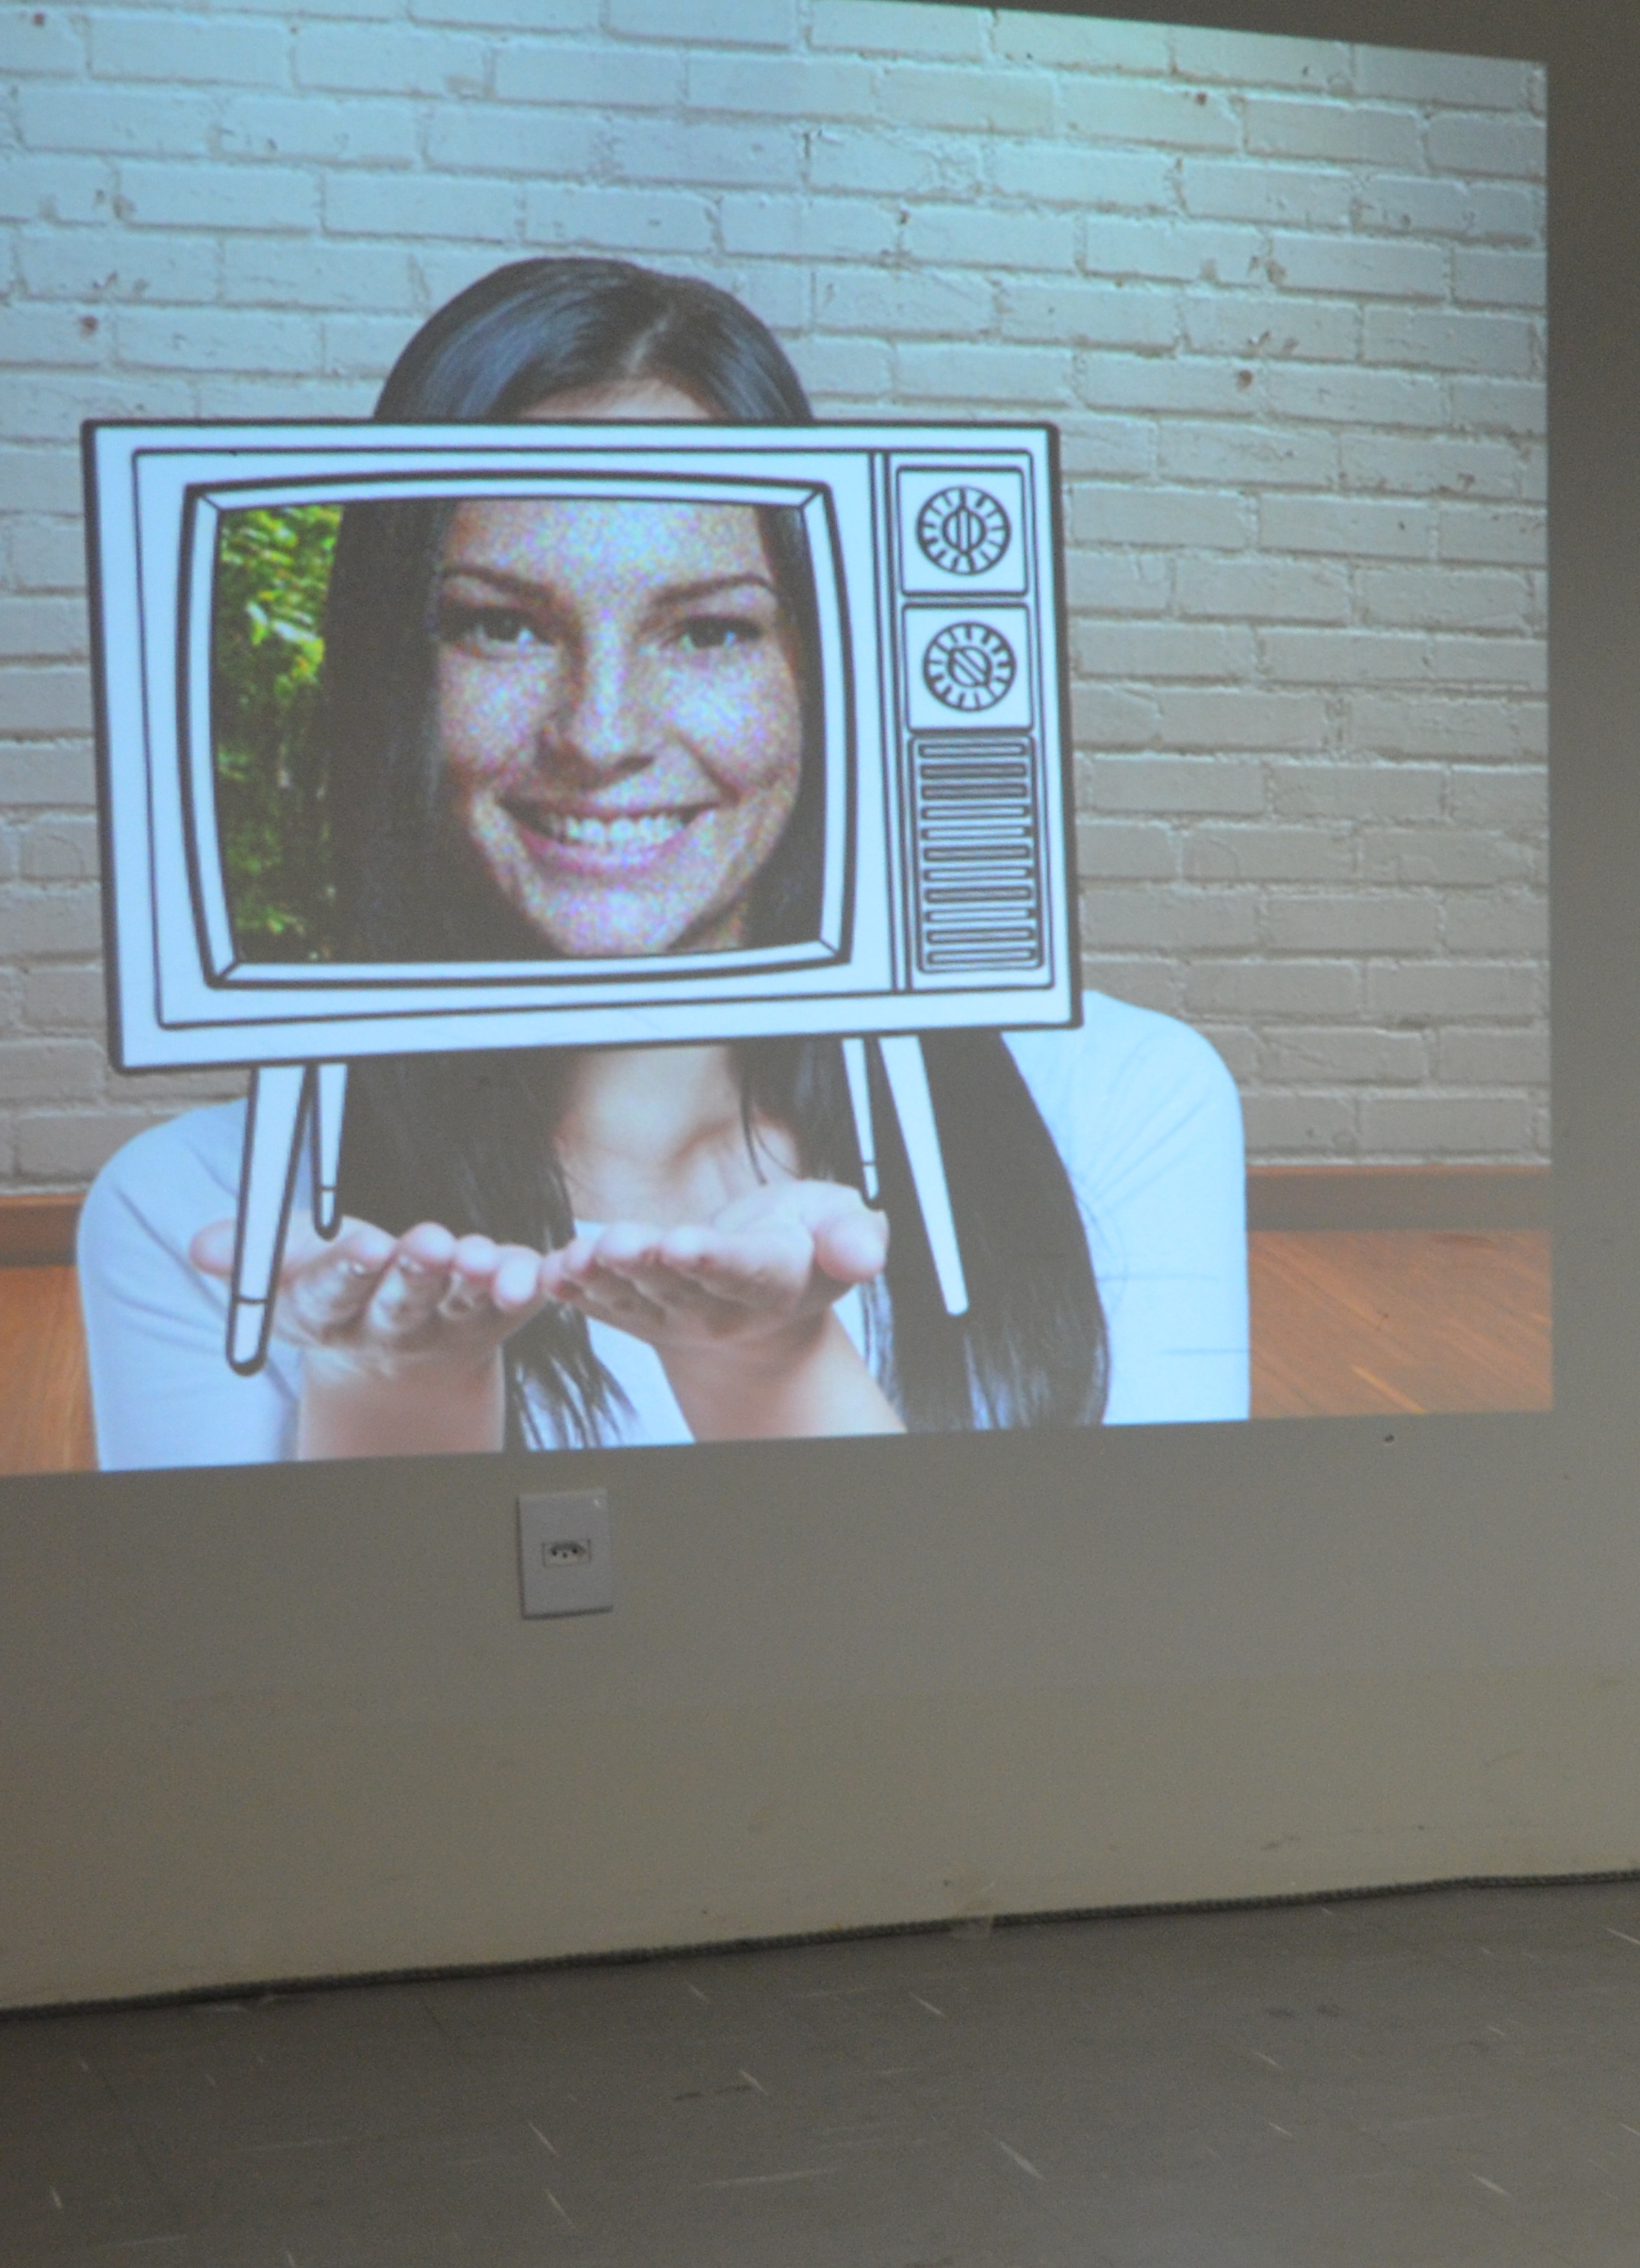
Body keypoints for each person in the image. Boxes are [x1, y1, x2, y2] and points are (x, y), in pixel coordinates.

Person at [79, 256, 1248, 1465]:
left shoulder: (1120, 1107)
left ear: (827, 668)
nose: (600, 735)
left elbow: (1152, 1596)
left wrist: (767, 1369)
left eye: (708, 631)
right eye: (500, 624)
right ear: (395, 668)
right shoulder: (195, 1216)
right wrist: (393, 1393)